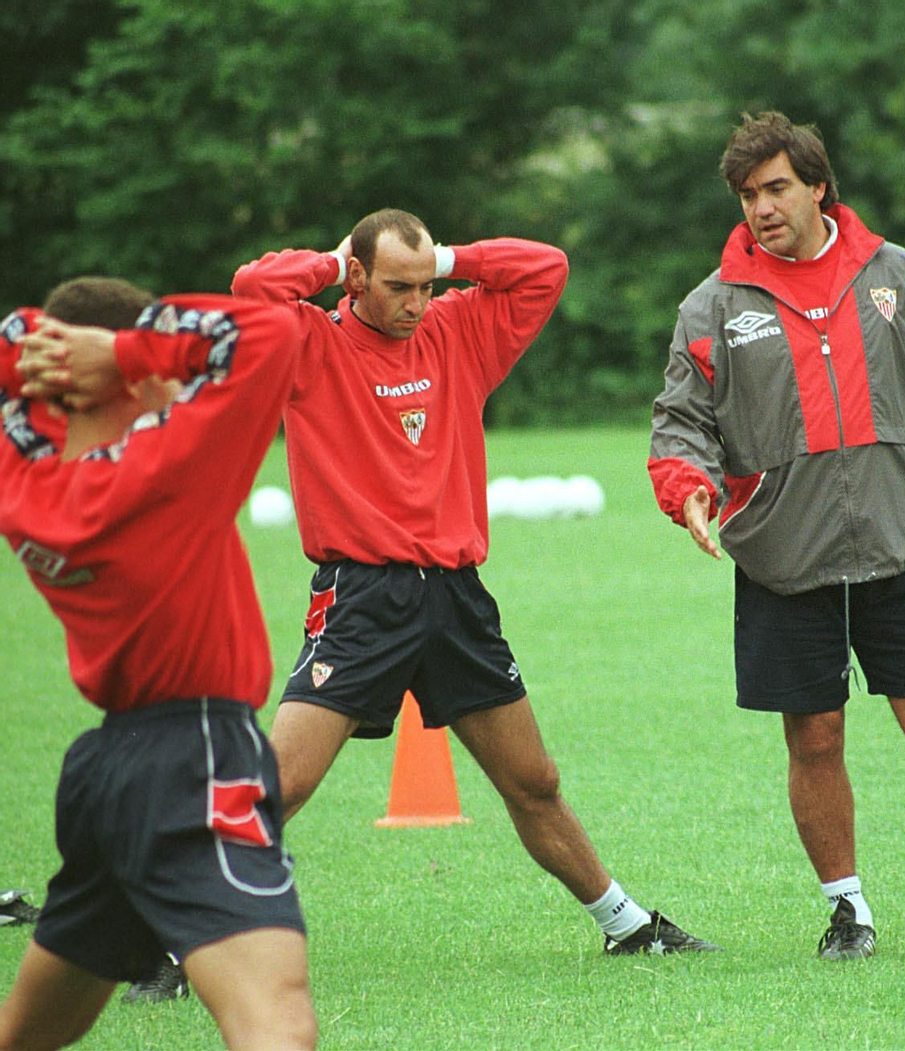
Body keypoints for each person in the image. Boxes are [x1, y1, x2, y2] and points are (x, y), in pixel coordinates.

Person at [229, 209, 716, 956]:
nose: (416, 303)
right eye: (397, 286)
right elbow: (251, 287)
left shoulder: (458, 331)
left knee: (534, 779)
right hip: (362, 598)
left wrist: (448, 258)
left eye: (427, 286)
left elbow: (545, 265)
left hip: (455, 597)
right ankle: (168, 940)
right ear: (356, 276)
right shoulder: (310, 341)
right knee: (281, 786)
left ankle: (628, 927)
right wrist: (331, 265)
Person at [648, 111, 905, 959]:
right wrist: (691, 490)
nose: (760, 208)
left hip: (901, 544)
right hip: (783, 558)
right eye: (746, 195)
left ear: (816, 186)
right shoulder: (714, 305)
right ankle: (850, 914)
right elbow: (680, 422)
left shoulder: (898, 275)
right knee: (816, 734)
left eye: (775, 189)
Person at [0, 278, 316, 1050]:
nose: (181, 384)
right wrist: (126, 348)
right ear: (130, 379)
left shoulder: (25, 482)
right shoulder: (170, 467)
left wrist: (45, 353)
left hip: (105, 774)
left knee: (31, 1032)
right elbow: (271, 333)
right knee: (279, 1024)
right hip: (199, 761)